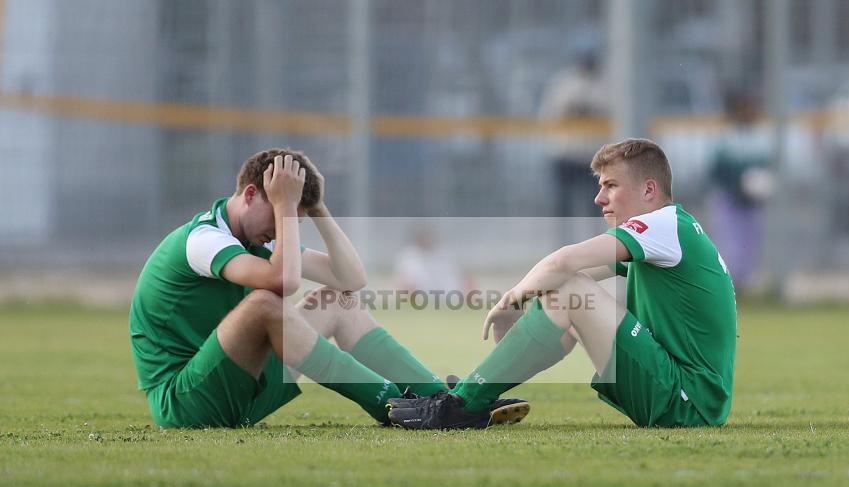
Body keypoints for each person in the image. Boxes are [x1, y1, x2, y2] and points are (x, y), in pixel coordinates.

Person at [129, 148, 529, 428]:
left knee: (336, 300)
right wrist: (286, 206)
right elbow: (282, 284)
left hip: (239, 387)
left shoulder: (259, 236)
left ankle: (447, 402)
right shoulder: (202, 239)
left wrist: (315, 206)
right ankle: (392, 403)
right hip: (185, 401)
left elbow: (351, 279)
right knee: (266, 306)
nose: (287, 226)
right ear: (251, 195)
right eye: (283, 213)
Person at [388, 139, 736, 430]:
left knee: (571, 290)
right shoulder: (672, 231)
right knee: (569, 291)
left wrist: (512, 300)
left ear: (649, 189)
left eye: (610, 185)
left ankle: (459, 405)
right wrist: (527, 306)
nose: (600, 198)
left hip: (686, 403)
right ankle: (470, 396)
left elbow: (563, 263)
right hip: (687, 397)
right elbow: (563, 279)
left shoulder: (664, 224)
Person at [540, 45, 609, 244]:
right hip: (566, 154)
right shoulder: (564, 84)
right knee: (564, 207)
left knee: (595, 206)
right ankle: (562, 245)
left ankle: (595, 245)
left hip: (592, 156)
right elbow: (549, 114)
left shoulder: (604, 85)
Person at [706, 89, 774, 293]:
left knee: (750, 245)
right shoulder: (727, 136)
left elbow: (766, 168)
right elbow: (716, 171)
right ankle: (728, 287)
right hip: (730, 199)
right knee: (731, 245)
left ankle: (744, 286)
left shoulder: (761, 136)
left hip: (752, 202)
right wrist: (737, 186)